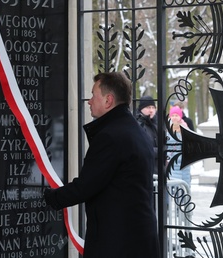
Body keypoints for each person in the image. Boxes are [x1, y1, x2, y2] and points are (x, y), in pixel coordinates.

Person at [44, 72, 160, 258]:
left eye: (93, 95)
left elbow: (86, 185)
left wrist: (51, 197)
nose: (89, 101)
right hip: (139, 237)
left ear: (108, 100)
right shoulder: (134, 130)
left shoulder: (110, 136)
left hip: (118, 242)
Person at [166, 105, 191, 185]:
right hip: (171, 160)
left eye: (176, 115)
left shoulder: (185, 128)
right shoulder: (166, 128)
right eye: (172, 115)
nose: (174, 117)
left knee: (184, 184)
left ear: (180, 116)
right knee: (173, 184)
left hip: (184, 160)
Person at [136, 95, 158, 175]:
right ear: (141, 109)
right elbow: (142, 149)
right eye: (148, 107)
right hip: (144, 170)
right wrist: (159, 151)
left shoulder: (157, 124)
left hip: (158, 171)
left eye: (153, 107)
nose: (151, 110)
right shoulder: (138, 125)